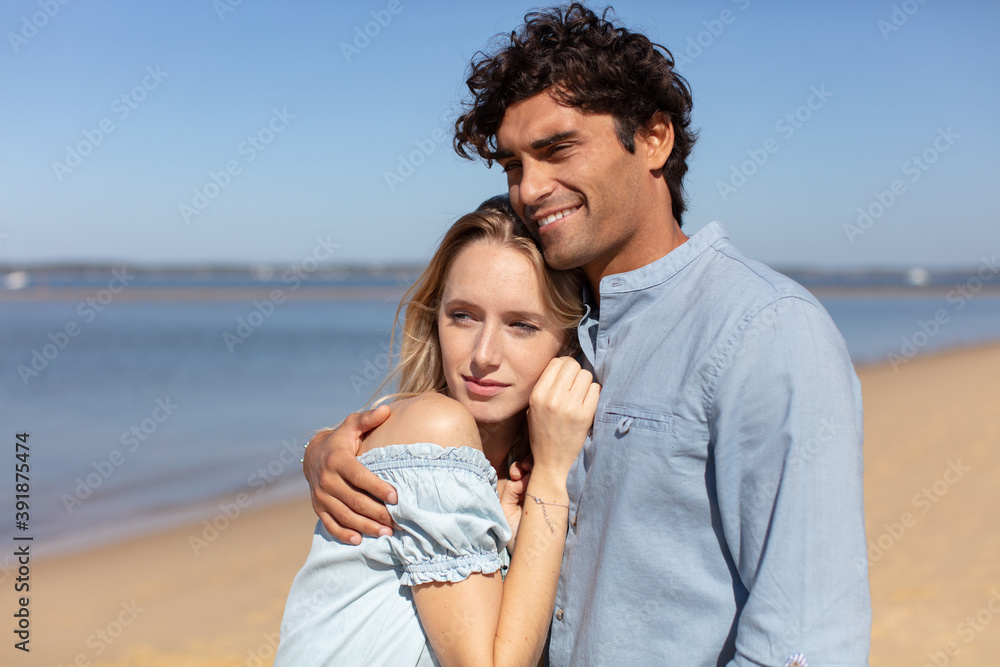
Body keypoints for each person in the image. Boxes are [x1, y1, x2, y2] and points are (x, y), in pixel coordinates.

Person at [304, 5, 872, 666]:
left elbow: (802, 645)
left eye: (557, 149)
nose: (531, 188)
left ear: (655, 139)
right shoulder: (560, 326)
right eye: (513, 164)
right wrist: (330, 452)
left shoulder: (765, 331)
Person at [275, 196, 601, 666]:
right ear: (436, 318)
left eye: (522, 325)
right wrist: (550, 475)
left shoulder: (496, 471)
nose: (484, 354)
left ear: (568, 341)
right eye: (463, 315)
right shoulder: (435, 427)